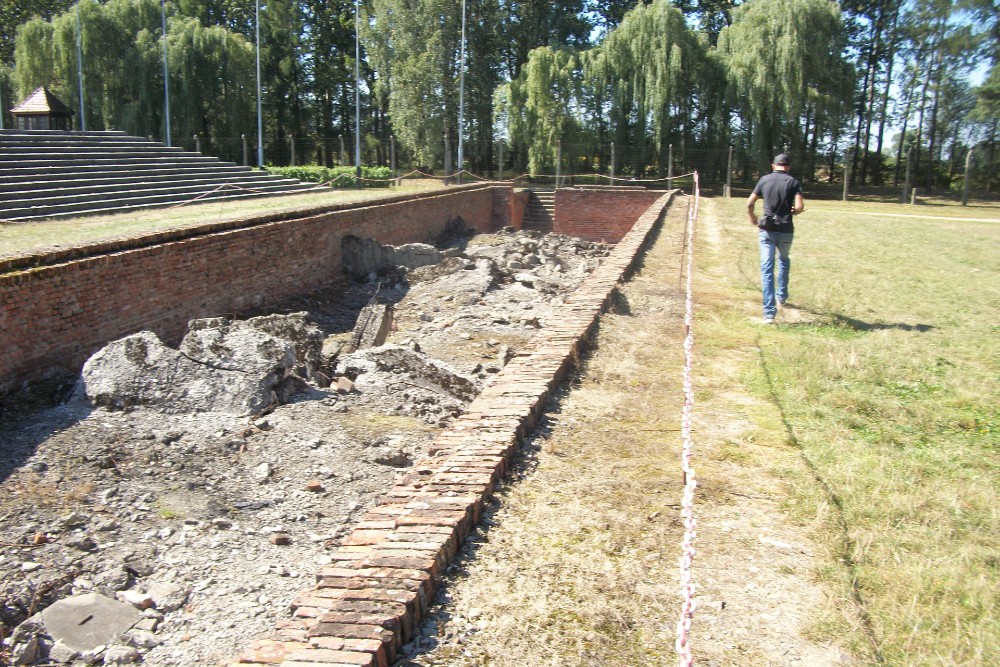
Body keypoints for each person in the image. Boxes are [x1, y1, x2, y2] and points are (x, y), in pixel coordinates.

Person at [746, 153, 805, 323]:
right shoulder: (793, 182)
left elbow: (750, 203)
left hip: (766, 230)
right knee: (784, 260)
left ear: (773, 166)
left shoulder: (764, 180)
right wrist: (794, 211)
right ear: (789, 167)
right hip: (786, 230)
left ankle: (769, 313)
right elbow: (800, 206)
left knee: (767, 268)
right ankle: (782, 295)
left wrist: (752, 217)